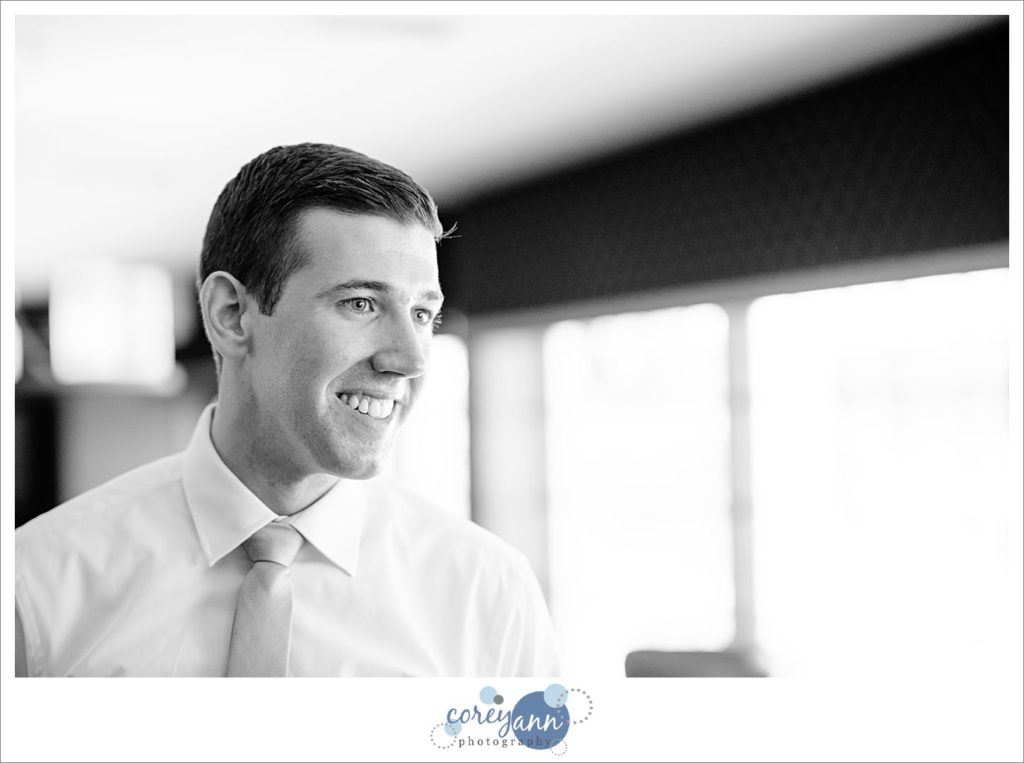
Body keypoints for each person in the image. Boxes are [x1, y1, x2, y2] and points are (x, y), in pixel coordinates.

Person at [15, 143, 562, 677]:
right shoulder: (34, 585)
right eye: (361, 303)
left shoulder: (489, 593)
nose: (411, 360)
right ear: (231, 314)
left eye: (423, 314)